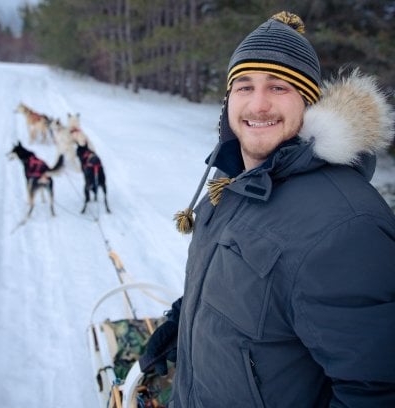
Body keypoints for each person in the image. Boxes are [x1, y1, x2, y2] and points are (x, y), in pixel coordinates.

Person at [140, 11, 395, 407]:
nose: (258, 104)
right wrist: (180, 324)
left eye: (279, 87)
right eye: (244, 86)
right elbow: (237, 289)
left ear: (308, 103)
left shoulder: (347, 225)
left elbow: (376, 391)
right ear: (228, 100)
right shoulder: (231, 184)